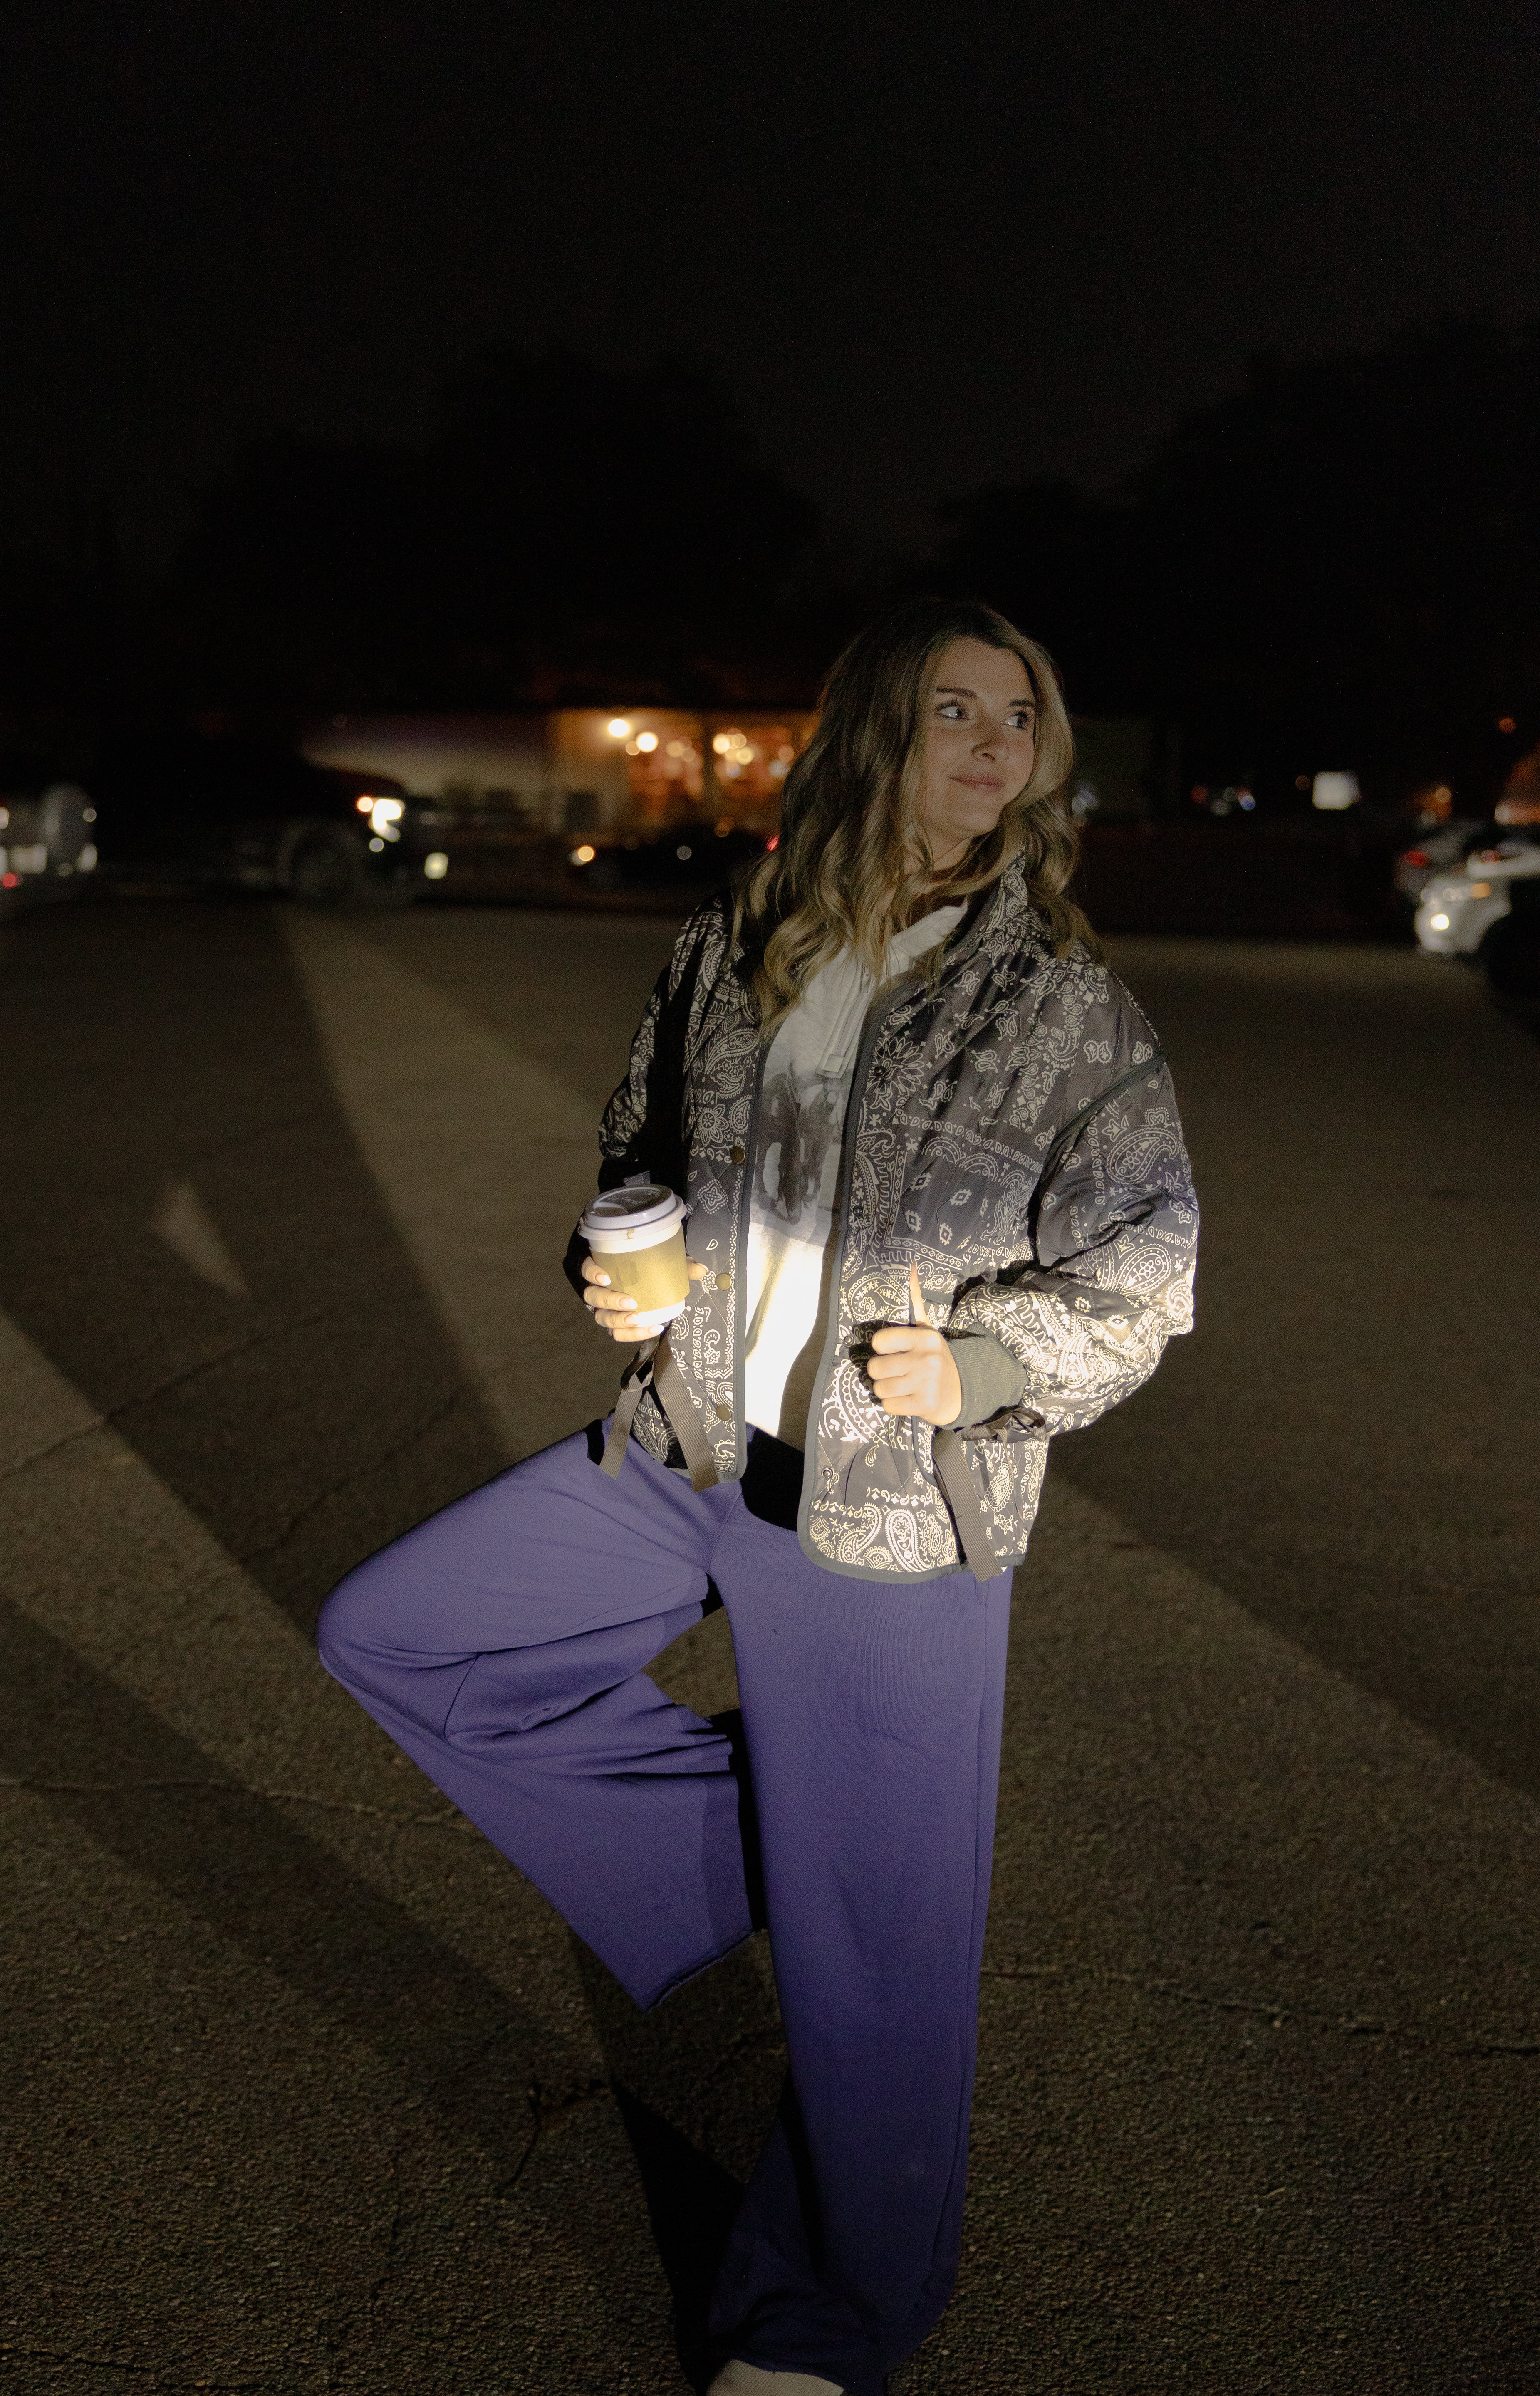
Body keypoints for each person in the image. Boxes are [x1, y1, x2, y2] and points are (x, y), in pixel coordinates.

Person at [317, 597, 1198, 2395]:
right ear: (873, 728)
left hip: (895, 1509)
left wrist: (992, 1365)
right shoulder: (740, 945)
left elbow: (1150, 1261)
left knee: (881, 1979)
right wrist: (612, 1270)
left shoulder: (1063, 1006)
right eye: (952, 709)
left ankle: (826, 2324)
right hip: (688, 1455)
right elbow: (634, 1150)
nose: (993, 744)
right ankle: (797, 1844)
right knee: (396, 1634)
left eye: (1017, 715)